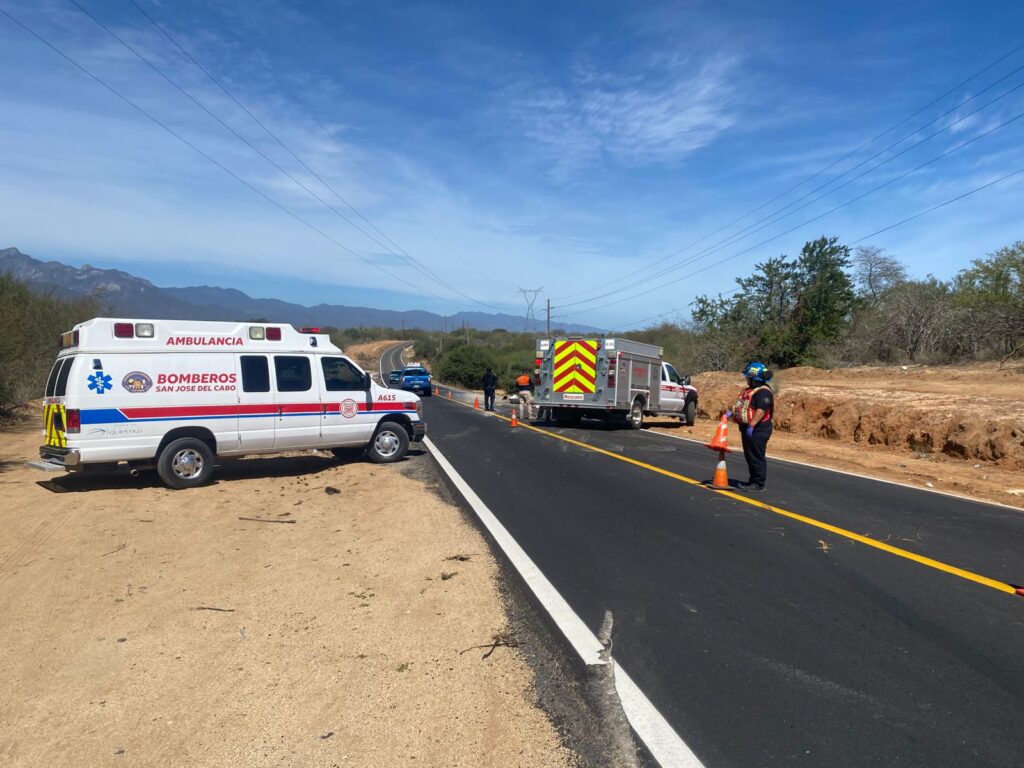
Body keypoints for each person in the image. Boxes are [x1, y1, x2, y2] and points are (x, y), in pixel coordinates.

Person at [731, 361, 774, 492]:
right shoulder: (750, 390)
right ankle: (752, 480)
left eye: (748, 377)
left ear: (754, 378)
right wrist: (731, 413)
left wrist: (752, 425)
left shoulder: (763, 392)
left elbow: (761, 410)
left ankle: (758, 483)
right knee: (749, 455)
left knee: (756, 456)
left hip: (759, 430)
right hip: (749, 429)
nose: (747, 379)